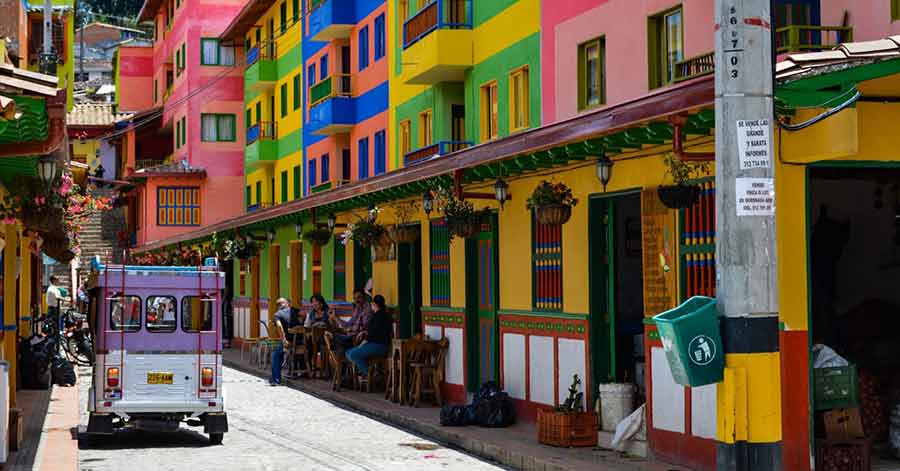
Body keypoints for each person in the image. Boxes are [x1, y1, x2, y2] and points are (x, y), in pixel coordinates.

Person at [346, 295, 392, 377]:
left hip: (379, 345)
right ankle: (366, 371)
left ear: (374, 304)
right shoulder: (380, 315)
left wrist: (362, 343)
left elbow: (373, 334)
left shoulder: (379, 316)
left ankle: (370, 374)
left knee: (353, 354)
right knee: (348, 352)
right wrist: (364, 332)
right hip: (375, 344)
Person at [269, 297, 293, 386]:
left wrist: (284, 340)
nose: (279, 306)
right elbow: (304, 314)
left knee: (276, 355)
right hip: (301, 341)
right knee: (279, 353)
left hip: (288, 341)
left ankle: (276, 379)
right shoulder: (295, 311)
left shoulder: (278, 314)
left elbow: (279, 326)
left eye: (279, 304)